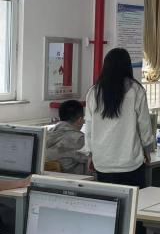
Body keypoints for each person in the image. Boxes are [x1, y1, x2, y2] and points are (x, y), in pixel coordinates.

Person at [85, 48, 154, 188]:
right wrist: (147, 150)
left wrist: (90, 154)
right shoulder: (136, 90)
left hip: (103, 161)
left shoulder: (93, 92)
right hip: (130, 162)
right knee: (136, 200)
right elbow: (144, 125)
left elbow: (89, 128)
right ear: (127, 66)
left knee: (108, 200)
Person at [46, 100, 89, 174]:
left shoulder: (48, 133)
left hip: (48, 177)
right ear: (80, 120)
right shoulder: (79, 139)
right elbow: (95, 160)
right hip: (70, 179)